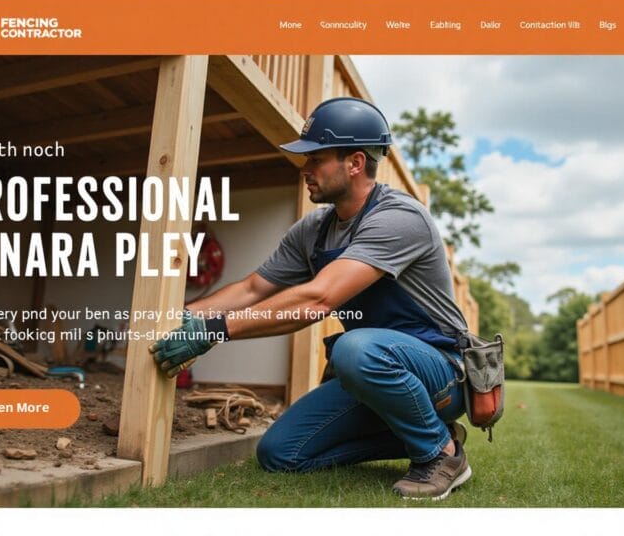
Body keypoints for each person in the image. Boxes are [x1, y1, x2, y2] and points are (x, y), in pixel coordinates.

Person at [150, 96, 472, 500]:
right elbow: (253, 288)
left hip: (441, 369)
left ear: (355, 163)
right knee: (280, 453)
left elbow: (319, 299)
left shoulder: (399, 218)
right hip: (376, 371)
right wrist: (181, 317)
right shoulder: (315, 230)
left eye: (315, 158)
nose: (305, 169)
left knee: (354, 348)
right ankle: (433, 434)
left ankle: (440, 455)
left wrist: (212, 331)